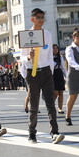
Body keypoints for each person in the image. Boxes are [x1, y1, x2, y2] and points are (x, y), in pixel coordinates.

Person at [21, 8, 64, 144]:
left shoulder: (48, 35)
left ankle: (54, 132)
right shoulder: (27, 35)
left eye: (42, 17)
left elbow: (50, 55)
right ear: (32, 19)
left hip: (45, 71)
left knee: (51, 103)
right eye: (38, 17)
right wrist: (29, 57)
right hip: (32, 72)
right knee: (34, 105)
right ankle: (32, 133)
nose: (41, 20)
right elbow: (21, 58)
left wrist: (49, 71)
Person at [52, 44, 67, 114]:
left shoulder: (60, 57)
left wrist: (67, 77)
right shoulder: (48, 57)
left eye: (56, 48)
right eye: (53, 48)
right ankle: (51, 105)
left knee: (61, 92)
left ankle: (60, 108)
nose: (55, 50)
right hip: (52, 75)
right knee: (55, 93)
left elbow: (63, 68)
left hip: (59, 74)